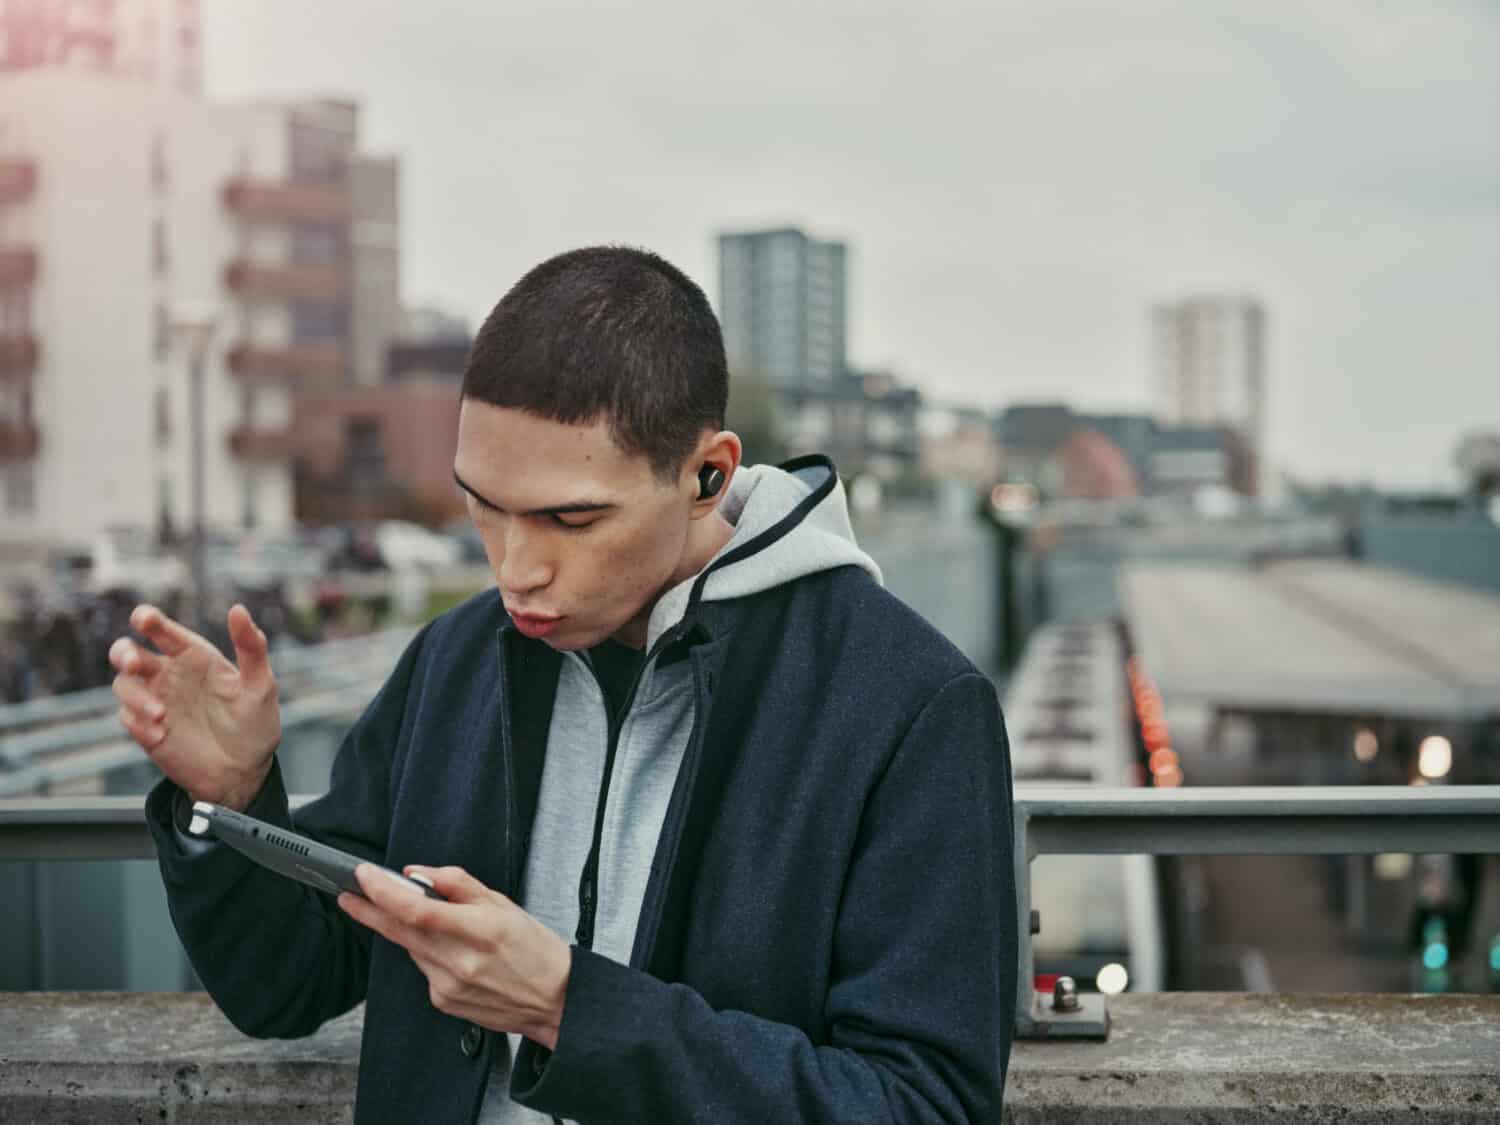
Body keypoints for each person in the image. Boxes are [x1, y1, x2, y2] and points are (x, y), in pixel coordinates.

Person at [111, 246, 1017, 1124]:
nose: (517, 569)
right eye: (484, 507)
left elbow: (921, 1102)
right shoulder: (455, 659)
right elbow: (290, 983)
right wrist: (232, 802)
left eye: (570, 519)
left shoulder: (911, 706)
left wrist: (568, 1010)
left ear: (710, 473)